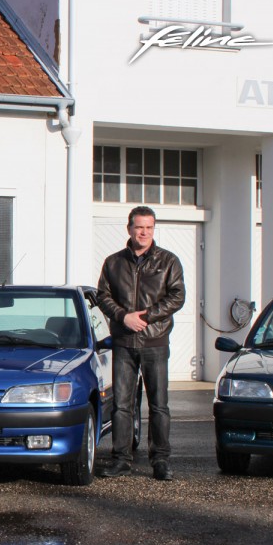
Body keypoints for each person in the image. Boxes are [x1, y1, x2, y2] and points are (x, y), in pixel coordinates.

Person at [97, 206, 185, 481]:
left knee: (159, 405)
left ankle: (160, 461)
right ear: (129, 228)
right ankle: (121, 459)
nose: (143, 232)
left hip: (155, 342)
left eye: (148, 227)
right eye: (139, 227)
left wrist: (145, 317)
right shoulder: (113, 262)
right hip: (123, 343)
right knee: (122, 405)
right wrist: (124, 317)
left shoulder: (168, 261)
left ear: (153, 229)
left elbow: (177, 296)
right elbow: (102, 296)